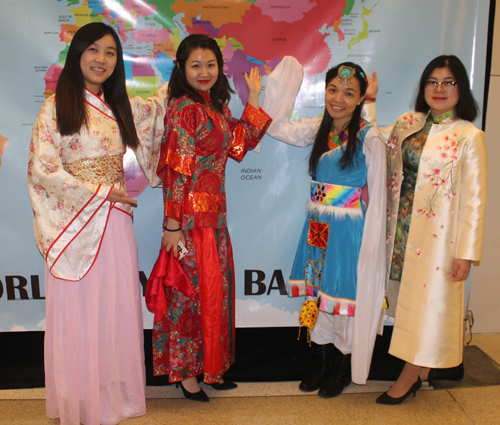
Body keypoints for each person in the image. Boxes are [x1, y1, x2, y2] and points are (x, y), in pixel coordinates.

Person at [27, 22, 169, 424]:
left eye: (110, 53)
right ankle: (79, 399)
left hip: (115, 221)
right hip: (75, 221)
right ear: (77, 54)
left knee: (114, 307)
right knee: (79, 310)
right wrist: (101, 191)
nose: (101, 60)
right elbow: (43, 170)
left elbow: (157, 107)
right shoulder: (54, 108)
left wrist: (183, 78)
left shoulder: (119, 104)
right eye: (93, 50)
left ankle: (114, 397)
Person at [148, 34, 271, 402]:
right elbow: (176, 171)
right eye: (195, 65)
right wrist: (171, 226)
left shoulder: (212, 107)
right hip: (188, 223)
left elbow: (238, 144)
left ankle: (208, 367)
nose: (204, 72)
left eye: (210, 65)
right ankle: (186, 375)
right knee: (189, 299)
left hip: (213, 220)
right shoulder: (185, 107)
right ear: (182, 70)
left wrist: (255, 99)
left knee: (212, 298)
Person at [364, 55, 488, 404]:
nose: (439, 89)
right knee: (405, 302)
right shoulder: (408, 123)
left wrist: (467, 252)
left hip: (439, 239)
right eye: (432, 82)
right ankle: (420, 370)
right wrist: (370, 102)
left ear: (461, 89)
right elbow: (375, 143)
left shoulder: (469, 136)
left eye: (448, 82)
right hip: (401, 230)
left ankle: (408, 377)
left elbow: (475, 201)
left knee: (426, 306)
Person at [261, 57, 387, 397]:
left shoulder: (370, 136)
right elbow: (277, 127)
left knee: (342, 295)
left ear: (361, 98)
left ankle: (340, 368)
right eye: (333, 89)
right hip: (317, 223)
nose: (338, 98)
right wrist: (275, 89)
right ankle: (319, 362)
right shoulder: (318, 128)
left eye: (349, 93)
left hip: (348, 229)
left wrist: (373, 241)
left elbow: (378, 192)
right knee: (319, 294)